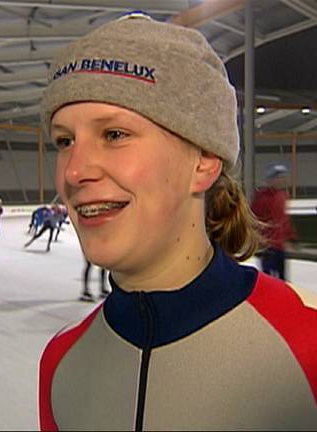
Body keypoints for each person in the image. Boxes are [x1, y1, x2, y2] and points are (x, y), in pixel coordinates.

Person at [38, 13, 317, 430]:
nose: (74, 172)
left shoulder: (308, 346)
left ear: (203, 161)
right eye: (64, 141)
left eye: (114, 134)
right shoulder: (61, 363)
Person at [251, 163, 297, 280]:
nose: (281, 181)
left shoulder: (282, 195)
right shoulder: (261, 197)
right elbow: (254, 220)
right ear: (271, 180)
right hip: (268, 246)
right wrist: (257, 242)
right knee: (268, 278)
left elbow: (284, 220)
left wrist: (290, 236)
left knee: (282, 279)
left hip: (280, 246)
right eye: (278, 178)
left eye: (283, 178)